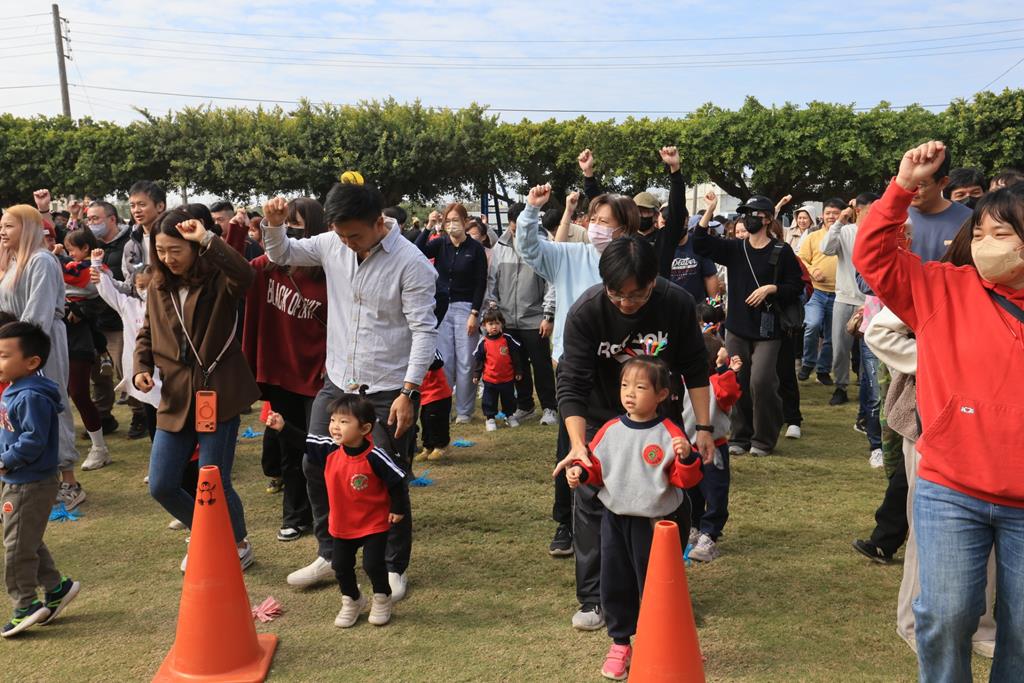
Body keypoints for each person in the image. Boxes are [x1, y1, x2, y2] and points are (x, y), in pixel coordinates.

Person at [853, 140, 1021, 681]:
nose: (986, 245)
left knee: (1021, 630)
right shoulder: (944, 287)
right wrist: (903, 185)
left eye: (1002, 234)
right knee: (943, 617)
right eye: (980, 233)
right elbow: (874, 258)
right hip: (950, 487)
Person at [262, 182, 436, 600]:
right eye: (339, 234)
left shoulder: (411, 263)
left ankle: (393, 566)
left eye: (354, 235)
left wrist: (409, 392)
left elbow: (423, 331)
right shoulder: (331, 244)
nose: (346, 242)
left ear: (379, 223)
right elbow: (282, 254)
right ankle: (330, 552)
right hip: (338, 381)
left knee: (387, 475)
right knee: (316, 464)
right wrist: (274, 225)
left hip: (388, 388)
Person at [517, 146, 685, 562]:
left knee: (629, 444)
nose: (594, 227)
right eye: (592, 220)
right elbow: (530, 249)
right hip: (577, 367)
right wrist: (531, 210)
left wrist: (675, 177)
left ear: (625, 230)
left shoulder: (637, 263)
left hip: (628, 369)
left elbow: (671, 229)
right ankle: (565, 522)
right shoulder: (569, 255)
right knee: (573, 446)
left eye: (605, 223)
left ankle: (636, 516)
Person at [553, 232, 715, 634]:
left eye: (637, 295)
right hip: (600, 419)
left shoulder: (676, 303)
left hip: (659, 420)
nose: (626, 303)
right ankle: (595, 597)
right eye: (617, 294)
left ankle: (664, 591)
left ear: (653, 281)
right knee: (593, 500)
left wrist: (704, 427)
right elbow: (571, 385)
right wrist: (578, 446)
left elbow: (695, 367)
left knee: (667, 500)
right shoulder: (587, 311)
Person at [565, 356, 704, 681]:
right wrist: (580, 472)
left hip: (656, 525)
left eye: (640, 387)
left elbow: (686, 480)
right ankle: (620, 643)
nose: (630, 393)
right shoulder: (611, 430)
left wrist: (686, 458)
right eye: (625, 385)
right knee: (616, 581)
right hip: (615, 520)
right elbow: (594, 465)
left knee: (660, 587)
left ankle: (673, 641)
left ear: (661, 394)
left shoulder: (669, 433)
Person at [134, 210, 259, 572]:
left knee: (213, 480)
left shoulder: (219, 279)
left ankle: (238, 544)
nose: (168, 258)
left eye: (176, 250)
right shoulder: (158, 285)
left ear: (193, 247)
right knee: (161, 484)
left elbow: (246, 275)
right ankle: (209, 535)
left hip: (217, 391)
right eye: (161, 251)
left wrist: (208, 239)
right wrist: (141, 367)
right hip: (175, 396)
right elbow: (147, 331)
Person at [243, 197, 327, 543]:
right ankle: (294, 515)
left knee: (318, 449)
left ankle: (327, 515)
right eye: (285, 225)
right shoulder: (269, 266)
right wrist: (231, 230)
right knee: (289, 449)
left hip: (319, 374)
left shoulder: (331, 271)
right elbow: (235, 267)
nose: (290, 232)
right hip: (280, 374)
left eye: (297, 225)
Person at [693, 192, 804, 456]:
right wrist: (709, 210)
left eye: (753, 214)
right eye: (745, 214)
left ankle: (763, 439)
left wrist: (771, 288)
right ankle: (740, 436)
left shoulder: (781, 250)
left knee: (762, 381)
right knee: (738, 379)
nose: (747, 219)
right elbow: (700, 242)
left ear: (766, 219)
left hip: (769, 329)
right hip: (737, 327)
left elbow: (796, 286)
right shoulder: (735, 248)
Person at [0, 204, 83, 510]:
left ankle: (69, 481)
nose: (2, 232)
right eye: (1, 226)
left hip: (39, 346)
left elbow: (38, 315)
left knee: (51, 405)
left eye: (9, 226)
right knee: (21, 412)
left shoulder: (42, 260)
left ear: (28, 229)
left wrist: (22, 353)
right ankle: (38, 482)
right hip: (16, 348)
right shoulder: (13, 263)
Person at [0, 321, 80, 637]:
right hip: (19, 480)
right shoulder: (15, 389)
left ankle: (25, 604)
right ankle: (56, 587)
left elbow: (33, 440)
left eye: (4, 355)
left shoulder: (31, 396)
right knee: (25, 538)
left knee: (17, 546)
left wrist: (5, 461)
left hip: (29, 483)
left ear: (32, 362)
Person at [302, 394, 409, 628]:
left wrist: (398, 508)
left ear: (365, 429)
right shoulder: (329, 450)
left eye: (343, 422)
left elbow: (397, 481)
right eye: (333, 420)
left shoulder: (375, 456)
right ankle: (352, 600)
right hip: (342, 524)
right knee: (340, 565)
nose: (335, 426)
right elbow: (304, 442)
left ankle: (382, 597)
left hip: (373, 523)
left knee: (373, 564)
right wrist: (281, 428)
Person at [486, 201, 558, 426]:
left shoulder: (542, 246)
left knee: (541, 365)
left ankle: (550, 407)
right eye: (516, 225)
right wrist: (493, 308)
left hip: (534, 318)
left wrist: (548, 315)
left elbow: (551, 283)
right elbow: (492, 280)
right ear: (511, 223)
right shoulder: (500, 246)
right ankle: (525, 405)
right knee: (517, 365)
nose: (519, 230)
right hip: (507, 318)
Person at [414, 203, 487, 423]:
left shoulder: (475, 249)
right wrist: (428, 227)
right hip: (442, 306)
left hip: (466, 306)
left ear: (465, 222)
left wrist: (475, 312)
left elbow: (480, 282)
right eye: (448, 221)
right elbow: (416, 251)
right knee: (444, 359)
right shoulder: (440, 244)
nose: (452, 225)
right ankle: (444, 407)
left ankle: (464, 411)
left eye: (456, 220)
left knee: (466, 360)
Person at [684, 338, 743, 563]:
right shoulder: (684, 381)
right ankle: (694, 527)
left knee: (715, 494)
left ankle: (710, 535)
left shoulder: (718, 382)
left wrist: (724, 369)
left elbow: (729, 394)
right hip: (689, 449)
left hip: (714, 449)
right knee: (691, 492)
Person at [83, 200, 138, 437]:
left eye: (95, 218)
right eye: (88, 219)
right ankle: (104, 416)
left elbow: (131, 284)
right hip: (95, 320)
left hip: (121, 321)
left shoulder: (130, 244)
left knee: (125, 369)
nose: (91, 223)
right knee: (99, 374)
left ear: (112, 219)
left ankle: (139, 414)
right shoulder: (89, 244)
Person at [59, 229, 110, 470]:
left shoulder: (91, 269)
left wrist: (81, 310)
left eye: (71, 249)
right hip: (56, 335)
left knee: (79, 392)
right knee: (59, 395)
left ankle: (99, 448)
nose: (67, 254)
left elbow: (100, 296)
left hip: (80, 338)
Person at [820, 195, 873, 406]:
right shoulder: (845, 231)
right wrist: (840, 221)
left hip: (870, 300)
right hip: (844, 297)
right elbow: (826, 248)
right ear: (858, 210)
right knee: (840, 347)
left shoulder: (879, 231)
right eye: (870, 210)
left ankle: (867, 386)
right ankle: (840, 386)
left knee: (869, 347)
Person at [905, 147, 973, 263]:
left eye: (920, 185)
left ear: (943, 183)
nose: (911, 189)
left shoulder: (968, 220)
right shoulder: (893, 217)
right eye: (908, 182)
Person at [797, 212, 838, 386]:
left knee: (831, 336)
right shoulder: (813, 237)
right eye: (828, 213)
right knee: (812, 324)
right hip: (816, 292)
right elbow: (801, 259)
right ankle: (808, 363)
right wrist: (812, 270)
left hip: (839, 294)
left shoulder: (847, 235)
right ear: (822, 215)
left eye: (835, 213)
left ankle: (823, 370)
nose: (831, 216)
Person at [473, 308, 524, 432]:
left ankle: (509, 416)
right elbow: (479, 361)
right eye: (490, 324)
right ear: (484, 325)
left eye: (497, 323)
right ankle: (490, 418)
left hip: (507, 378)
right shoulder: (483, 342)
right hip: (490, 379)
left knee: (509, 399)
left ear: (502, 324)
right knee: (489, 400)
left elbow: (516, 357)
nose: (494, 327)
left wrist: (518, 371)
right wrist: (476, 374)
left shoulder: (507, 339)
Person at [122, 181, 167, 285]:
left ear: (160, 206)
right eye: (132, 206)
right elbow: (130, 285)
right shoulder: (131, 246)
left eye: (142, 205)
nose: (136, 210)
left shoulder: (174, 238)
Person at [417, 350, 452, 462]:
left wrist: (418, 363)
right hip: (425, 396)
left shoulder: (430, 349)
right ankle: (428, 446)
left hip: (439, 394)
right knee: (425, 421)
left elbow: (438, 362)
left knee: (436, 421)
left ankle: (441, 446)